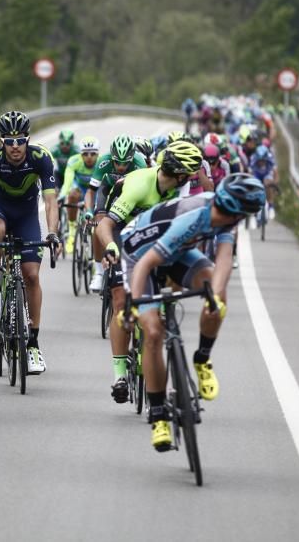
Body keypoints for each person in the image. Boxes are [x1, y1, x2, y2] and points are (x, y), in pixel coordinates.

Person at [116, 174, 265, 451]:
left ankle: (202, 359)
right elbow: (146, 264)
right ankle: (158, 413)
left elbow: (222, 259)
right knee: (152, 331)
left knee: (215, 292)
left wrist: (214, 298)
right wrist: (134, 306)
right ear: (229, 207)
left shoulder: (229, 216)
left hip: (176, 252)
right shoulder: (193, 218)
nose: (238, 219)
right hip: (139, 257)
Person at [95, 140, 202, 405]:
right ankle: (120, 375)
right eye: (188, 175)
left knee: (165, 292)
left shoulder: (179, 190)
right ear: (178, 175)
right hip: (123, 236)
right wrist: (110, 247)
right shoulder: (139, 185)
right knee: (121, 302)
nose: (190, 179)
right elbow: (105, 225)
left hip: (154, 238)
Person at [0, 110, 60, 374]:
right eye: (9, 140)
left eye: (20, 140)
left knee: (31, 276)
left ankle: (33, 344)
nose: (15, 146)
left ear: (27, 139)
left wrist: (52, 233)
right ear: (2, 140)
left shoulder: (41, 158)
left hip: (27, 213)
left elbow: (51, 201)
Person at [86, 134, 147, 292]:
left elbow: (146, 191)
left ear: (132, 158)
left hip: (131, 193)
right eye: (117, 162)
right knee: (99, 225)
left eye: (125, 163)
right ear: (111, 158)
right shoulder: (104, 160)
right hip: (107, 191)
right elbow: (91, 191)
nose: (120, 166)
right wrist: (88, 211)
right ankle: (98, 273)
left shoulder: (140, 163)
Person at [59, 136, 99, 255]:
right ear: (81, 154)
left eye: (93, 154)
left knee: (93, 216)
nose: (89, 157)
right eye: (85, 154)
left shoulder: (102, 163)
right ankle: (72, 230)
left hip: (94, 192)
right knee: (72, 194)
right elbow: (67, 182)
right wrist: (61, 196)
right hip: (79, 190)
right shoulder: (74, 161)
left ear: (98, 154)